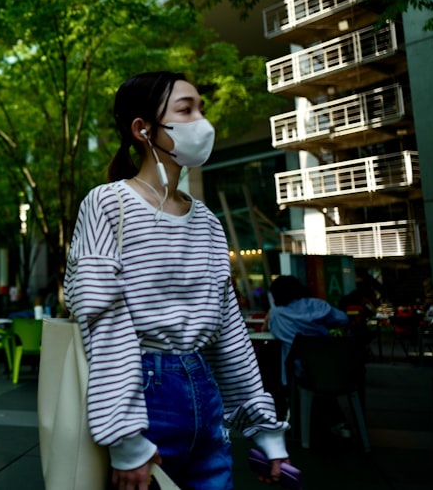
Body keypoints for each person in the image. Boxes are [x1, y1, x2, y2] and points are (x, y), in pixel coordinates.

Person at [64, 72, 289, 489]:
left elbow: (229, 331)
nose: (201, 121)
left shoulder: (207, 220)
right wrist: (126, 438)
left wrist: (265, 430)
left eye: (200, 108)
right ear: (142, 129)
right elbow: (103, 321)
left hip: (205, 393)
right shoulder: (108, 202)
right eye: (186, 110)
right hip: (143, 391)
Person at [265, 275, 350, 387]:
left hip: (299, 372)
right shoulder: (317, 305)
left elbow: (269, 329)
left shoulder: (276, 315)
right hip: (333, 367)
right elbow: (343, 319)